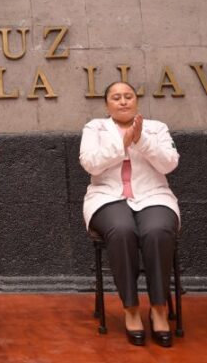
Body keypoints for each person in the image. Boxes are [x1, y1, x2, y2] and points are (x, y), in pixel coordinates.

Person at [79, 81, 180, 347]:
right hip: (107, 197)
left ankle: (158, 308)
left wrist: (141, 140)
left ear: (136, 100)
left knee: (157, 231)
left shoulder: (156, 128)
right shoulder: (94, 128)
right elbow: (90, 164)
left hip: (153, 195)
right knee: (122, 231)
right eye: (116, 97)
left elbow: (169, 164)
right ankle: (131, 308)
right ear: (107, 105)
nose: (123, 101)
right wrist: (121, 145)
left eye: (128, 96)